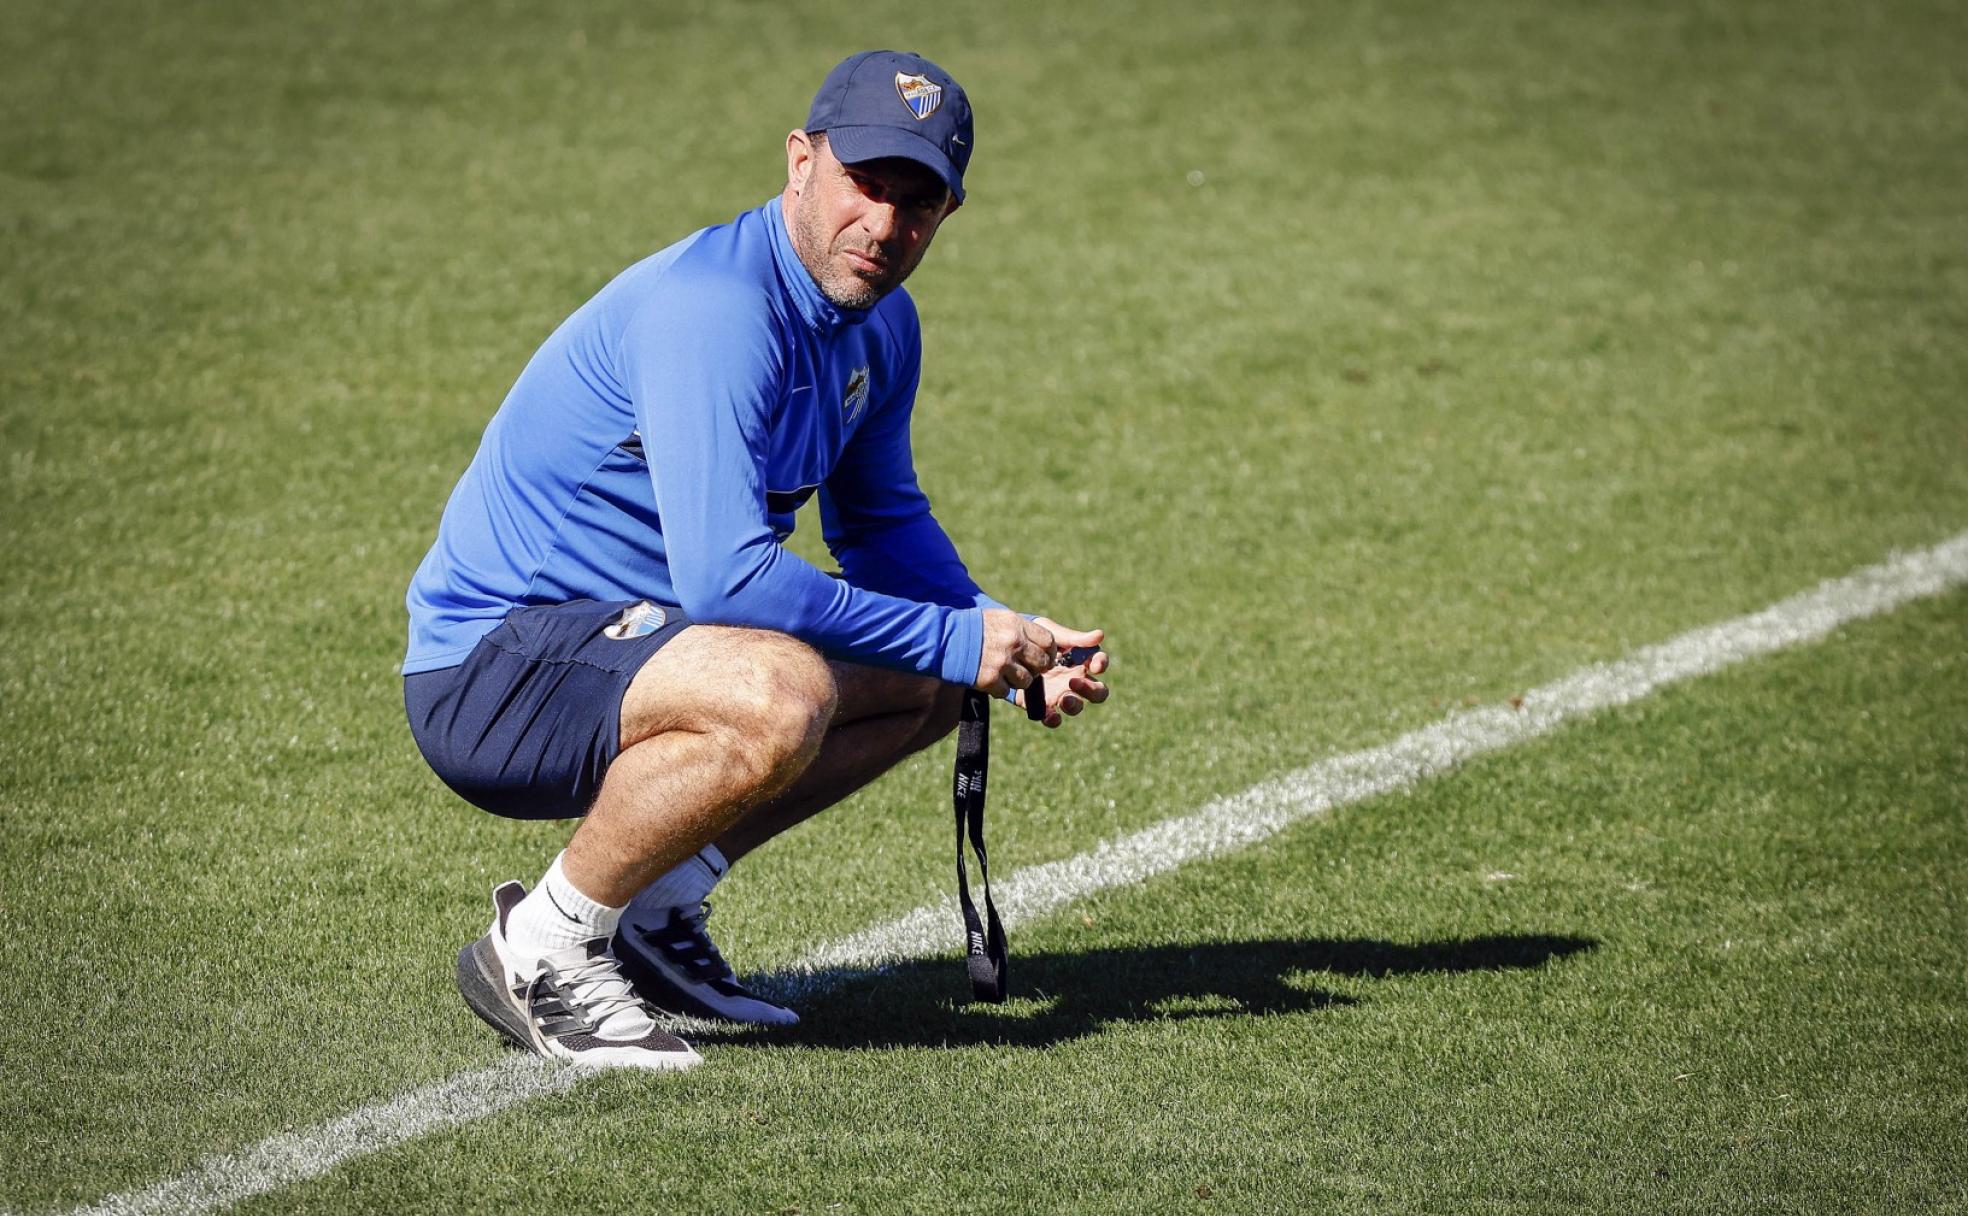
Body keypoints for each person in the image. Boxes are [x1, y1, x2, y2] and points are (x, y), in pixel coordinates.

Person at [401, 50, 1110, 1070]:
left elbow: (881, 529)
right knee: (783, 691)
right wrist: (960, 637)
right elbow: (728, 579)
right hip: (495, 672)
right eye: (867, 183)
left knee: (925, 676)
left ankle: (650, 907)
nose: (884, 223)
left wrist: (1011, 641)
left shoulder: (880, 325)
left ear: (947, 217)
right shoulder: (718, 311)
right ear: (799, 161)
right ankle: (546, 946)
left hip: (637, 650)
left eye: (918, 201)